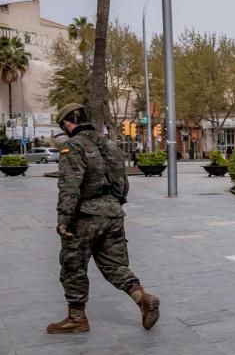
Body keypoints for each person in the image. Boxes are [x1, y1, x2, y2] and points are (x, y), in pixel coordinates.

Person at [47, 103, 159, 334]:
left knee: (73, 266)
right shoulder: (109, 143)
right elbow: (123, 181)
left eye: (63, 125)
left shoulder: (73, 146)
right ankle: (143, 299)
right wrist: (115, 204)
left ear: (68, 123)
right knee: (114, 265)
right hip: (113, 213)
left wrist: (64, 219)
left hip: (86, 216)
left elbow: (70, 187)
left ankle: (77, 318)